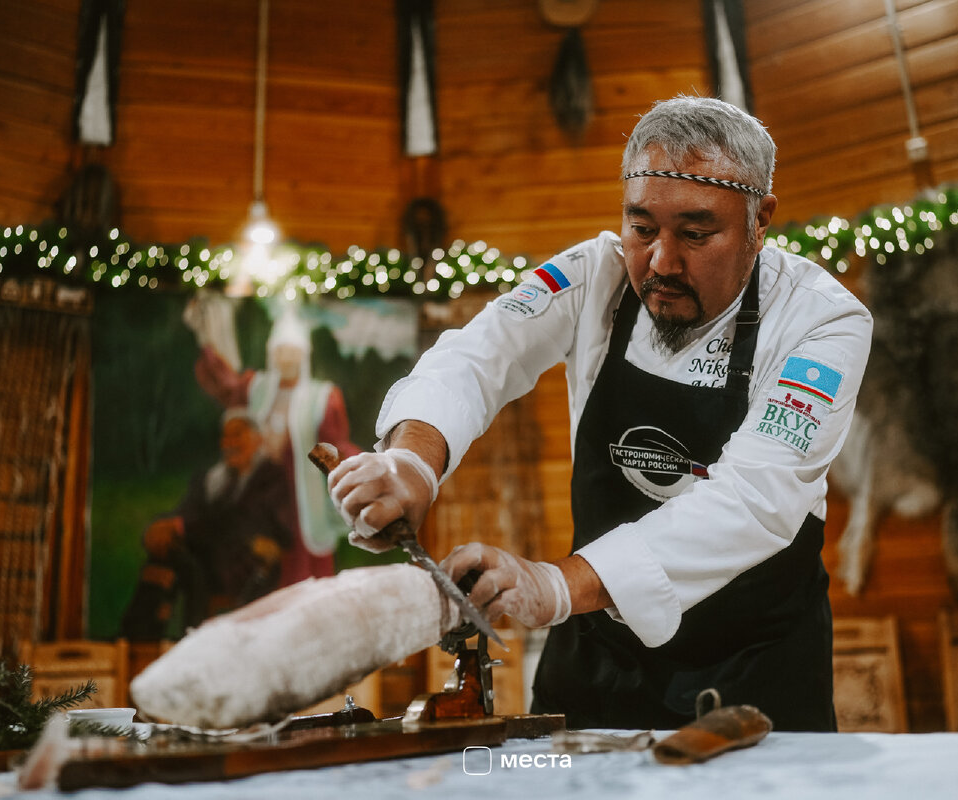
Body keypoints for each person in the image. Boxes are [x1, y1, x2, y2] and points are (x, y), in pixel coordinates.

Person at [327, 96, 873, 731]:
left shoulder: (822, 322)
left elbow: (756, 497)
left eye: (696, 234)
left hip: (757, 672)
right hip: (596, 662)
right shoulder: (593, 276)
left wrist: (556, 586)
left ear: (760, 221)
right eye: (643, 229)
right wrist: (411, 462)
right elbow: (479, 356)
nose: (662, 263)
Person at [195, 310, 361, 583]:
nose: (286, 358)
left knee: (304, 571)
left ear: (303, 355)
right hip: (262, 493)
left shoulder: (321, 397)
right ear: (272, 353)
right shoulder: (254, 388)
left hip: (302, 497)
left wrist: (359, 466)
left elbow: (334, 445)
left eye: (293, 351)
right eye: (281, 350)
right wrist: (209, 343)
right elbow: (225, 388)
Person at [121, 409, 293, 640]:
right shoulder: (213, 479)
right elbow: (187, 511)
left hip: (248, 564)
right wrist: (159, 527)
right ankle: (140, 638)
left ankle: (162, 638)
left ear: (257, 439)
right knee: (167, 559)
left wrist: (181, 528)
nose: (229, 443)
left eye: (237, 435)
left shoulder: (270, 477)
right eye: (225, 437)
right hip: (208, 557)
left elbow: (242, 523)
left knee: (183, 564)